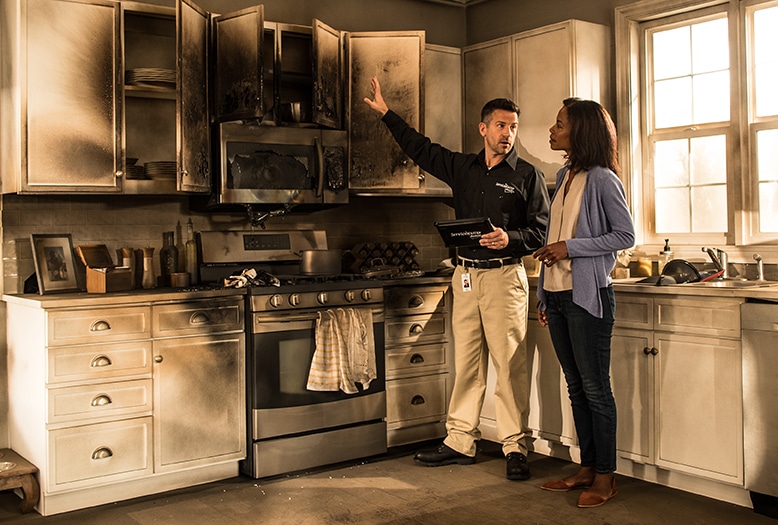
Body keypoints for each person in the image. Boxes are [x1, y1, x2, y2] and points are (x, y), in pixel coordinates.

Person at [364, 76, 550, 481]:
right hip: (464, 277)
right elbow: (421, 148)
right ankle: (460, 440)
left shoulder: (528, 177)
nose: (508, 133)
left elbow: (541, 233)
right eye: (501, 125)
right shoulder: (463, 168)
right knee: (466, 363)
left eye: (513, 127)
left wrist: (510, 237)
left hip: (505, 279)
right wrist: (387, 115)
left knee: (510, 365)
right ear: (483, 129)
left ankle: (514, 446)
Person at [533, 98, 635, 507]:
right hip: (557, 297)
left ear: (580, 132)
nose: (552, 130)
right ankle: (587, 467)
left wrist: (569, 248)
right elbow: (552, 238)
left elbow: (624, 235)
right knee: (576, 387)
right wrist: (543, 294)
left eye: (559, 124)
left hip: (588, 298)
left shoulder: (602, 179)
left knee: (595, 389)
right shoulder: (564, 175)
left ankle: (606, 476)